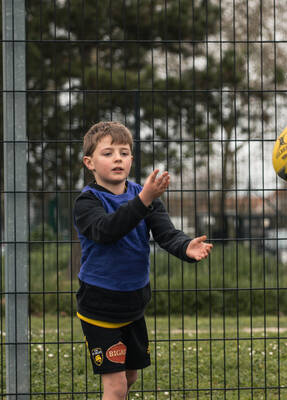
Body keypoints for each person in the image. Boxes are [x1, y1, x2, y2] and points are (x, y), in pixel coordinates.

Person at [73, 121, 213, 400]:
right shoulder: (87, 202)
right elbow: (106, 231)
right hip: (100, 306)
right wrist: (144, 199)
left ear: (131, 159)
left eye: (124, 153)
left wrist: (185, 247)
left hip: (134, 304)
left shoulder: (145, 197)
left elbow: (166, 234)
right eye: (108, 153)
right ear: (89, 162)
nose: (117, 159)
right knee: (115, 387)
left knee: (130, 376)